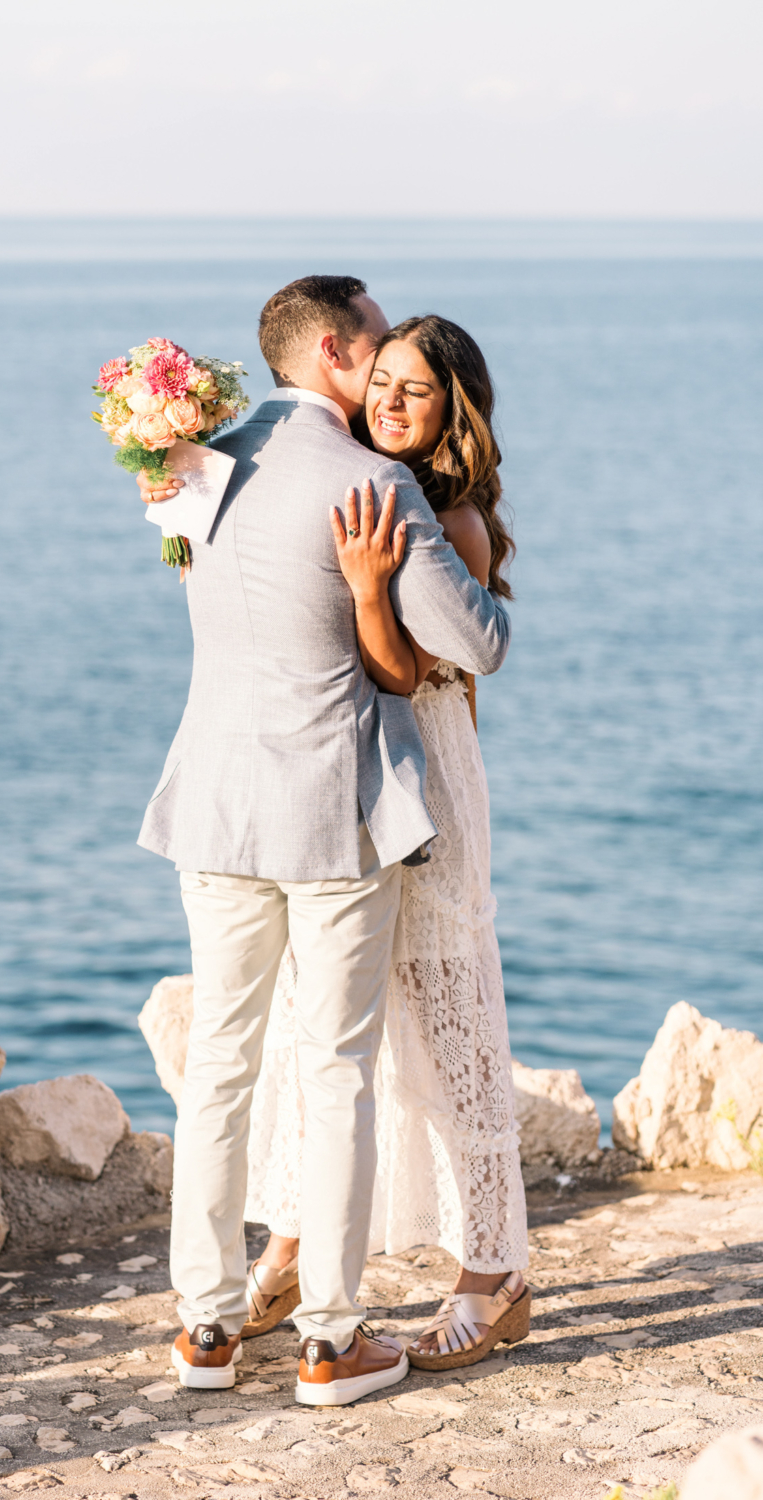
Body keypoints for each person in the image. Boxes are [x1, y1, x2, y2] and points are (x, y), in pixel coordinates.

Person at [134, 277, 511, 1405]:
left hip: (213, 804)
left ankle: (204, 1328)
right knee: (337, 1071)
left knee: (222, 1070)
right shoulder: (371, 483)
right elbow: (476, 644)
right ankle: (331, 1340)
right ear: (344, 350)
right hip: (333, 815)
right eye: (377, 343)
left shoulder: (191, 465)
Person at [242, 317, 531, 1372]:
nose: (393, 402)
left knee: (452, 1033)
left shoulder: (452, 521)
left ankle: (495, 1273)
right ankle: (294, 1239)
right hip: (357, 793)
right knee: (319, 1026)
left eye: (419, 390)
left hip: (431, 795)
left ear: (458, 409)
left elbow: (407, 674)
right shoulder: (365, 488)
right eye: (386, 383)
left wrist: (369, 590)